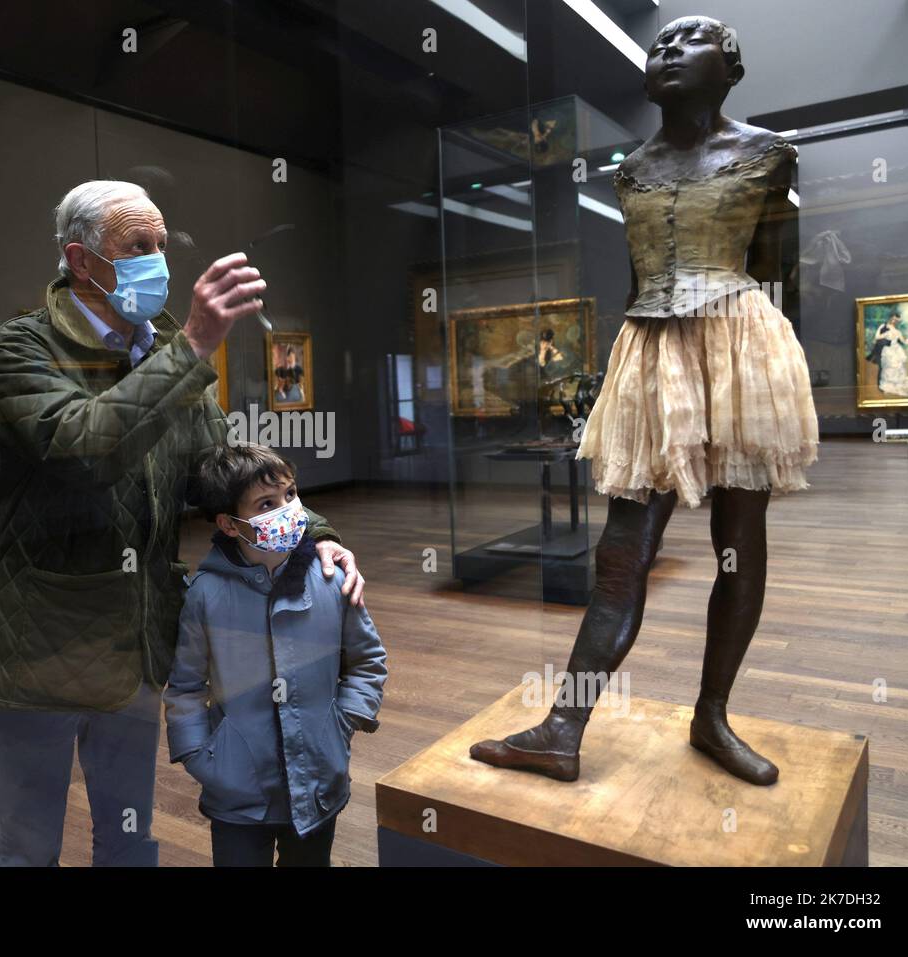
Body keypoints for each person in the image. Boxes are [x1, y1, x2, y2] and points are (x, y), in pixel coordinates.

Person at [0, 180, 366, 866]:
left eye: (161, 245)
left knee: (127, 838)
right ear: (82, 260)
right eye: (138, 247)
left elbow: (226, 478)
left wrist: (318, 534)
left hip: (135, 646)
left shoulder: (163, 356)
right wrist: (191, 347)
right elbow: (83, 449)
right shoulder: (20, 347)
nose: (157, 261)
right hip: (35, 649)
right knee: (28, 843)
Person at [471, 16, 819, 787]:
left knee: (739, 540)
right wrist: (625, 375)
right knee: (622, 554)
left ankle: (712, 715)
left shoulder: (767, 152)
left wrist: (757, 368)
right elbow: (636, 280)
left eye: (688, 40)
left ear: (730, 64)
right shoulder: (632, 169)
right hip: (652, 346)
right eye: (658, 43)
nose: (665, 49)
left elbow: (775, 270)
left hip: (737, 343)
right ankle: (563, 726)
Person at [165, 444, 387, 866]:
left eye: (289, 495)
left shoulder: (332, 579)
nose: (286, 509)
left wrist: (340, 727)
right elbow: (186, 685)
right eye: (267, 503)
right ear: (230, 525)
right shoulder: (206, 594)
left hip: (320, 781)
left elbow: (367, 661)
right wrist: (200, 756)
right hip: (236, 791)